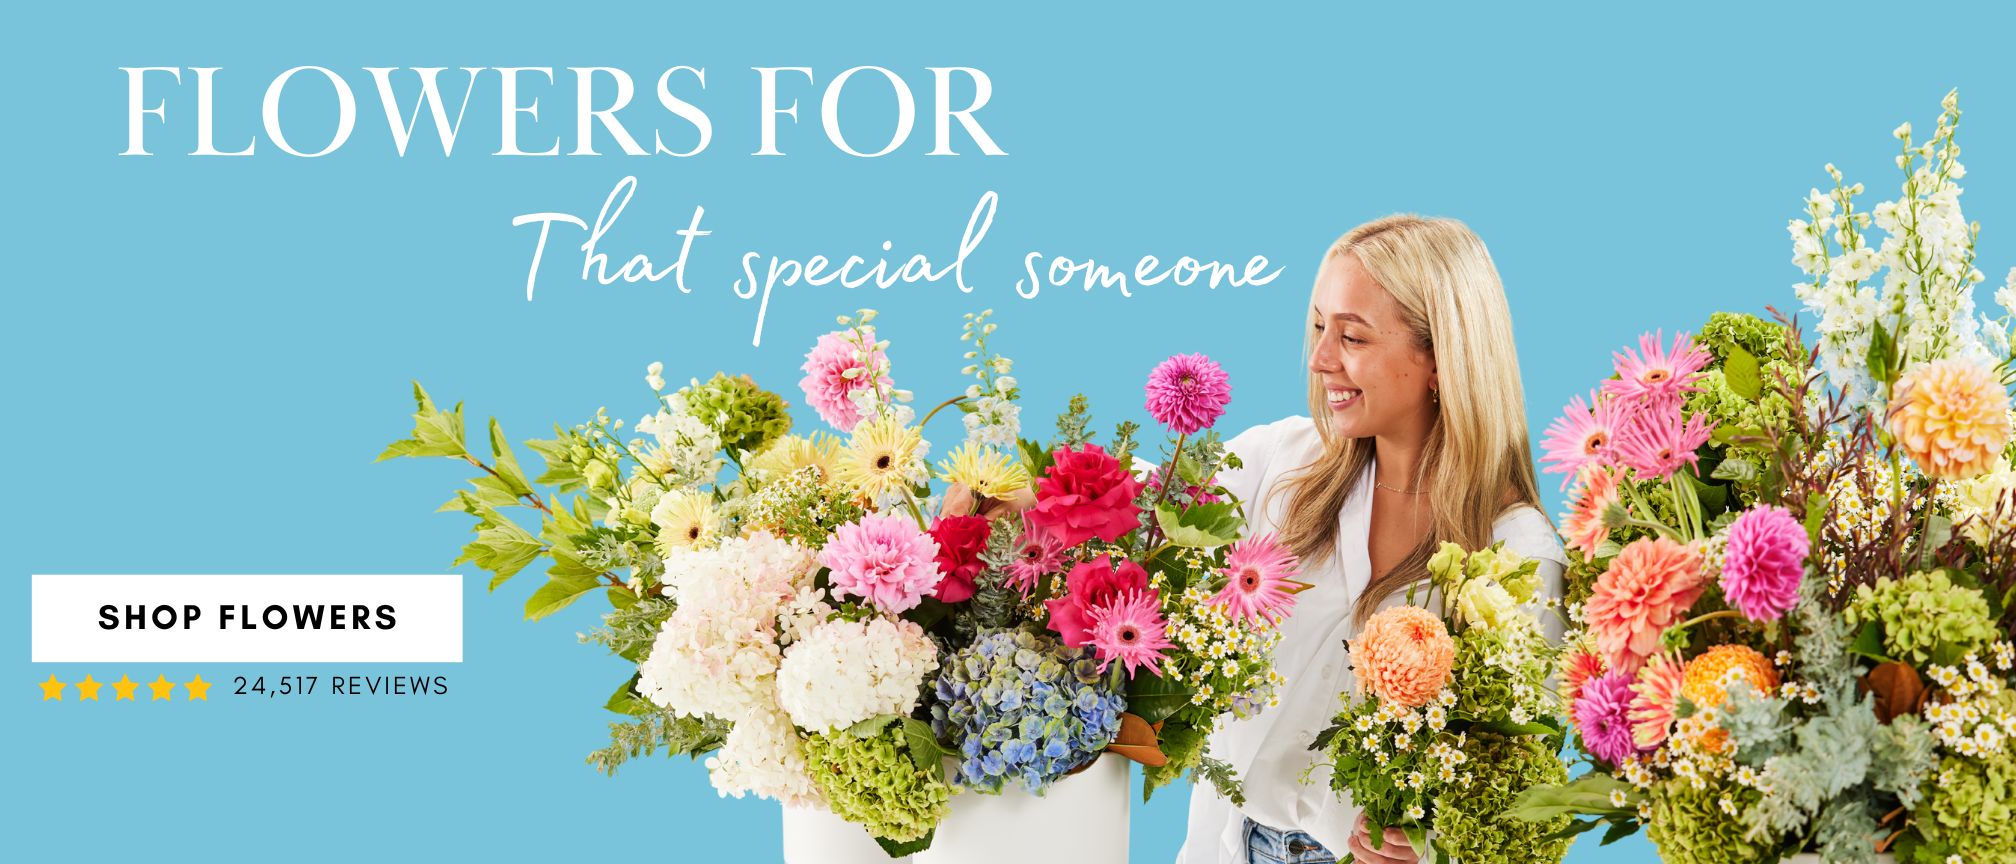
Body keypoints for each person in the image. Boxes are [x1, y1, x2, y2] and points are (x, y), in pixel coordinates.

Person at [1176, 215, 1566, 864]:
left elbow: (1516, 781)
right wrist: (1026, 497)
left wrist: (1431, 844)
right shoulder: (1279, 466)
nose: (1320, 358)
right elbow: (1133, 519)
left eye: (1352, 336)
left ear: (1441, 359)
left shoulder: (1519, 554)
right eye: (1319, 327)